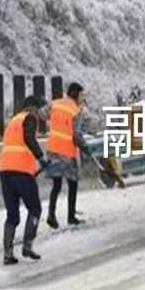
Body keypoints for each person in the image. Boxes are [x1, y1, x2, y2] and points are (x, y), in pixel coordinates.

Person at [0, 95, 51, 265]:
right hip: (21, 171)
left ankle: (7, 253)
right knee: (35, 208)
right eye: (43, 108)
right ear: (34, 108)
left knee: (12, 214)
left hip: (5, 171)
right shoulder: (30, 118)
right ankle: (27, 246)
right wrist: (41, 157)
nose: (45, 112)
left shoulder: (13, 120)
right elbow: (29, 139)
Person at [45, 82, 89, 228]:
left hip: (52, 150)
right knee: (72, 183)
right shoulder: (76, 111)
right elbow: (76, 134)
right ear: (76, 95)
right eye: (82, 95)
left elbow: (42, 114)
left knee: (56, 185)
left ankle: (51, 214)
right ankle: (71, 216)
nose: (83, 98)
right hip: (66, 152)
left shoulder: (55, 103)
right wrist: (84, 147)